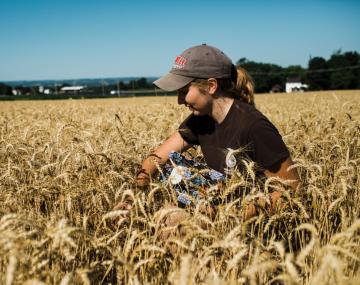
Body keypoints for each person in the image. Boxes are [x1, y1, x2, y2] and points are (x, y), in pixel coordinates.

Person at [117, 44, 300, 222]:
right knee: (169, 205)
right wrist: (133, 197)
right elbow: (156, 158)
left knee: (172, 219)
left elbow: (291, 189)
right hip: (219, 211)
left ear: (211, 86)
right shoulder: (200, 120)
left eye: (184, 91)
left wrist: (227, 217)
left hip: (251, 228)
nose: (180, 101)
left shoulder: (254, 126)